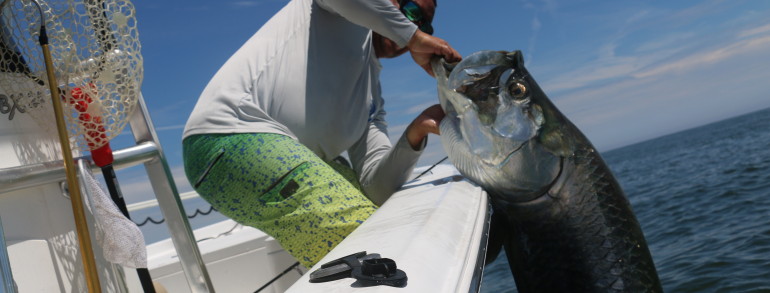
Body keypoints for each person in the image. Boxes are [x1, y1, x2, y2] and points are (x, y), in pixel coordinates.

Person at [182, 0, 461, 268]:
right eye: (412, 10)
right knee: (380, 247)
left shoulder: (371, 99)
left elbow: (377, 188)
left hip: (265, 165)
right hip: (228, 137)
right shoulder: (331, 11)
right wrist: (412, 37)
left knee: (377, 221)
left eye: (426, 26)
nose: (416, 24)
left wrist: (416, 132)